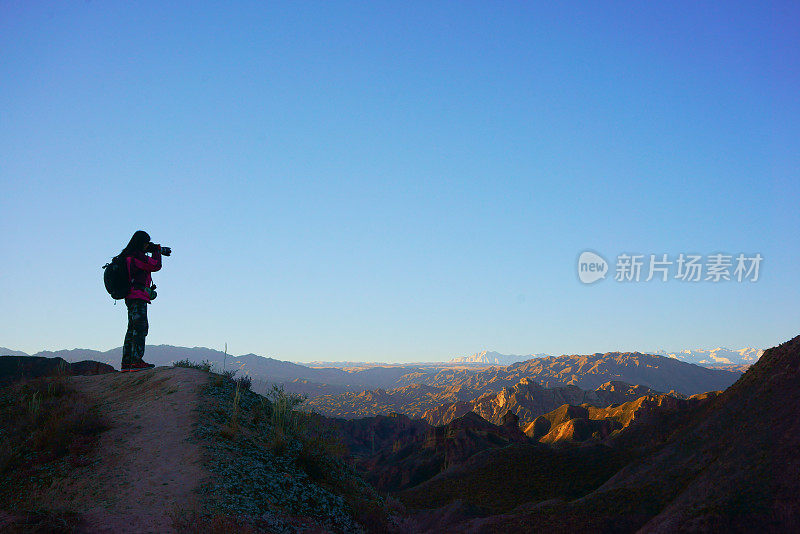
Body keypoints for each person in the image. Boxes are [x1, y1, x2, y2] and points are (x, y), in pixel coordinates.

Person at [119, 230, 162, 371]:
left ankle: (127, 363)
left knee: (132, 328)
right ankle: (136, 362)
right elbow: (156, 265)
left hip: (129, 295)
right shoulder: (136, 256)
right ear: (141, 243)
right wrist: (156, 250)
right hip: (137, 295)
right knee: (140, 327)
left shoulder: (126, 255)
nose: (147, 246)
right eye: (146, 243)